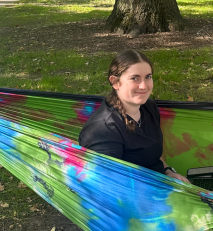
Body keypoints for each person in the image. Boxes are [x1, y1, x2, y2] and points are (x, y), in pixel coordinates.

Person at [78, 50, 188, 183]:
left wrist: (168, 171)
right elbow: (106, 186)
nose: (143, 86)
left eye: (148, 77)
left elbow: (153, 156)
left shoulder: (149, 108)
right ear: (115, 82)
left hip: (160, 184)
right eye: (134, 78)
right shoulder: (103, 130)